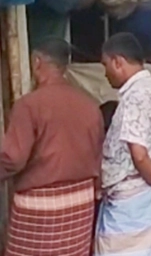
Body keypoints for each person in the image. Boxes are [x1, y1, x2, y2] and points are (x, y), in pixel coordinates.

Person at [0, 39, 104, 256]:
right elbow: (98, 154)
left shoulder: (28, 105)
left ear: (37, 63)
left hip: (40, 206)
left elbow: (12, 158)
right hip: (80, 203)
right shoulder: (90, 105)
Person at [97, 33, 151, 256]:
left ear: (118, 62)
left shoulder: (135, 97)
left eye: (105, 65)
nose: (105, 73)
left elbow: (140, 154)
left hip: (133, 201)